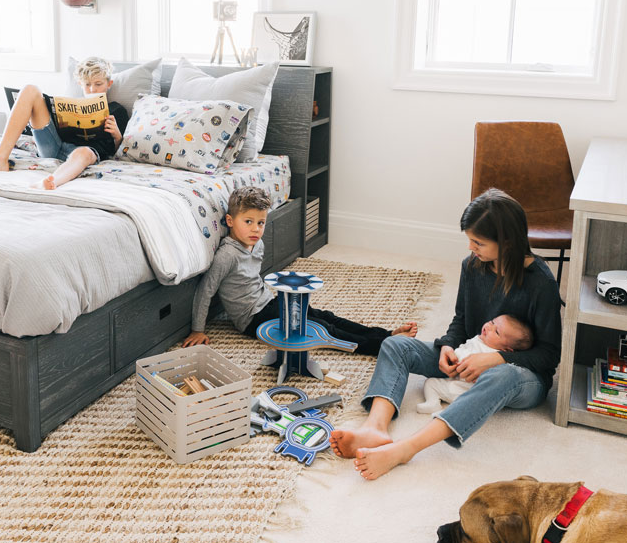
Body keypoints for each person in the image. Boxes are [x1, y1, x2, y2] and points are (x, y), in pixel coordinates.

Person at [329, 188, 562, 480]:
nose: (470, 248)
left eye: (478, 242)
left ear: (508, 242)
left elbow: (550, 356)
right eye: (469, 240)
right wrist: (448, 347)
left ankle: (406, 449)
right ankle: (374, 428)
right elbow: (462, 321)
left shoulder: (541, 282)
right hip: (468, 354)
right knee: (396, 345)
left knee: (503, 375)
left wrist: (496, 360)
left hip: (520, 378)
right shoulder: (472, 267)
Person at [181, 186, 417, 352]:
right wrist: (197, 329)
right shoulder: (227, 255)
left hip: (269, 302)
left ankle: (387, 334)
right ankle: (382, 346)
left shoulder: (257, 244)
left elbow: (253, 281)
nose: (256, 229)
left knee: (324, 315)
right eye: (248, 222)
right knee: (320, 328)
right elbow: (206, 290)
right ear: (230, 221)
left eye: (260, 222)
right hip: (253, 319)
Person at [0, 56, 127, 190]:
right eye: (87, 84)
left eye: (98, 84)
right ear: (80, 84)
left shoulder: (117, 110)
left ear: (109, 84)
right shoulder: (72, 103)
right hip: (54, 145)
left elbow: (123, 149)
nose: (92, 89)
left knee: (84, 152)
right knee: (30, 89)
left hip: (86, 153)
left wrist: (117, 135)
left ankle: (51, 181)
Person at [413, 313, 532, 413]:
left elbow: (465, 359)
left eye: (496, 332)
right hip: (455, 381)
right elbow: (464, 345)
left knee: (464, 402)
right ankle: (432, 402)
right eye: (492, 322)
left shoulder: (490, 353)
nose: (489, 327)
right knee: (430, 382)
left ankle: (451, 412)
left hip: (467, 391)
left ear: (507, 350)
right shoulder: (480, 339)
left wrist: (456, 355)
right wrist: (449, 347)